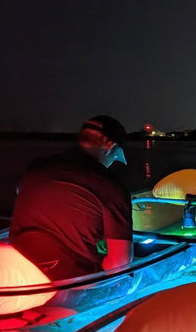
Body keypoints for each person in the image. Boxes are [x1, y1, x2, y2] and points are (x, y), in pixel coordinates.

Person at [9, 115, 133, 280]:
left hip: (16, 268)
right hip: (68, 283)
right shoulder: (111, 188)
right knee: (135, 276)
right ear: (111, 147)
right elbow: (119, 265)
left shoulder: (35, 169)